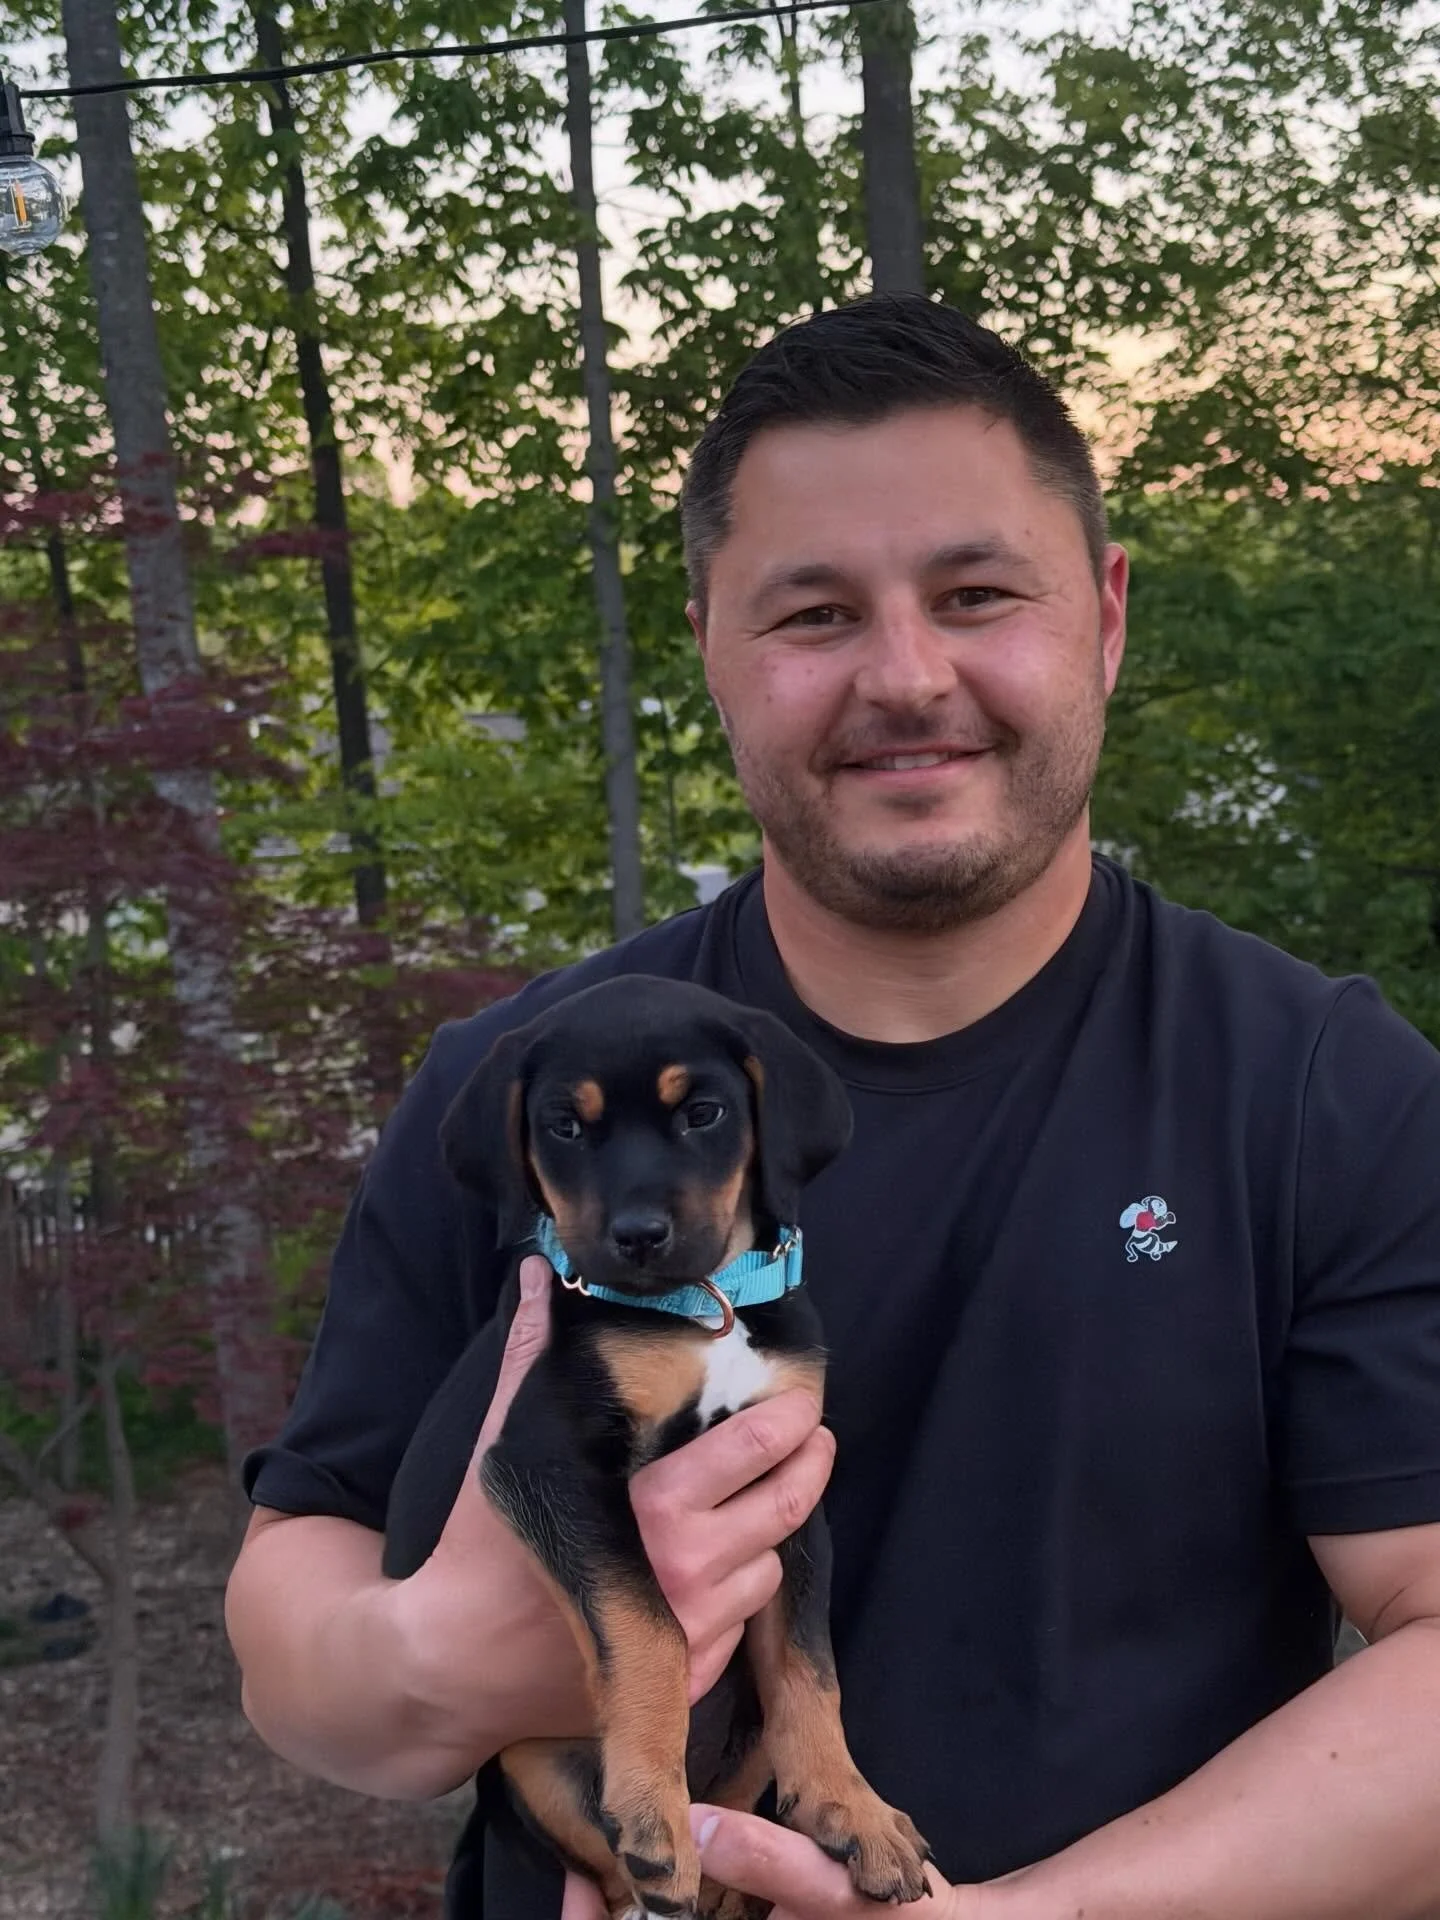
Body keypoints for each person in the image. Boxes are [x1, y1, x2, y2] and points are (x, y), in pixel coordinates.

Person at [224, 294, 1440, 1920]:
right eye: (812, 615)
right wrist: (432, 1658)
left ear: (1108, 615)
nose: (906, 674)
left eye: (977, 593)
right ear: (711, 648)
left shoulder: (1322, 1093)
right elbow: (292, 1623)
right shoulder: (526, 1095)